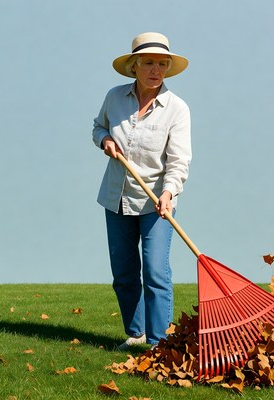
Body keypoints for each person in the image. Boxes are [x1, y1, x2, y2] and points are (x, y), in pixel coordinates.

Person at [92, 32, 191, 350]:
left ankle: (160, 344)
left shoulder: (177, 109)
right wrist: (104, 140)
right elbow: (98, 126)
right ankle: (136, 335)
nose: (155, 69)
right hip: (116, 198)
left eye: (162, 64)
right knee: (123, 272)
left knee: (154, 270)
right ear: (134, 65)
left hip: (156, 202)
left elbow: (178, 162)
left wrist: (169, 193)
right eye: (148, 62)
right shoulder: (114, 97)